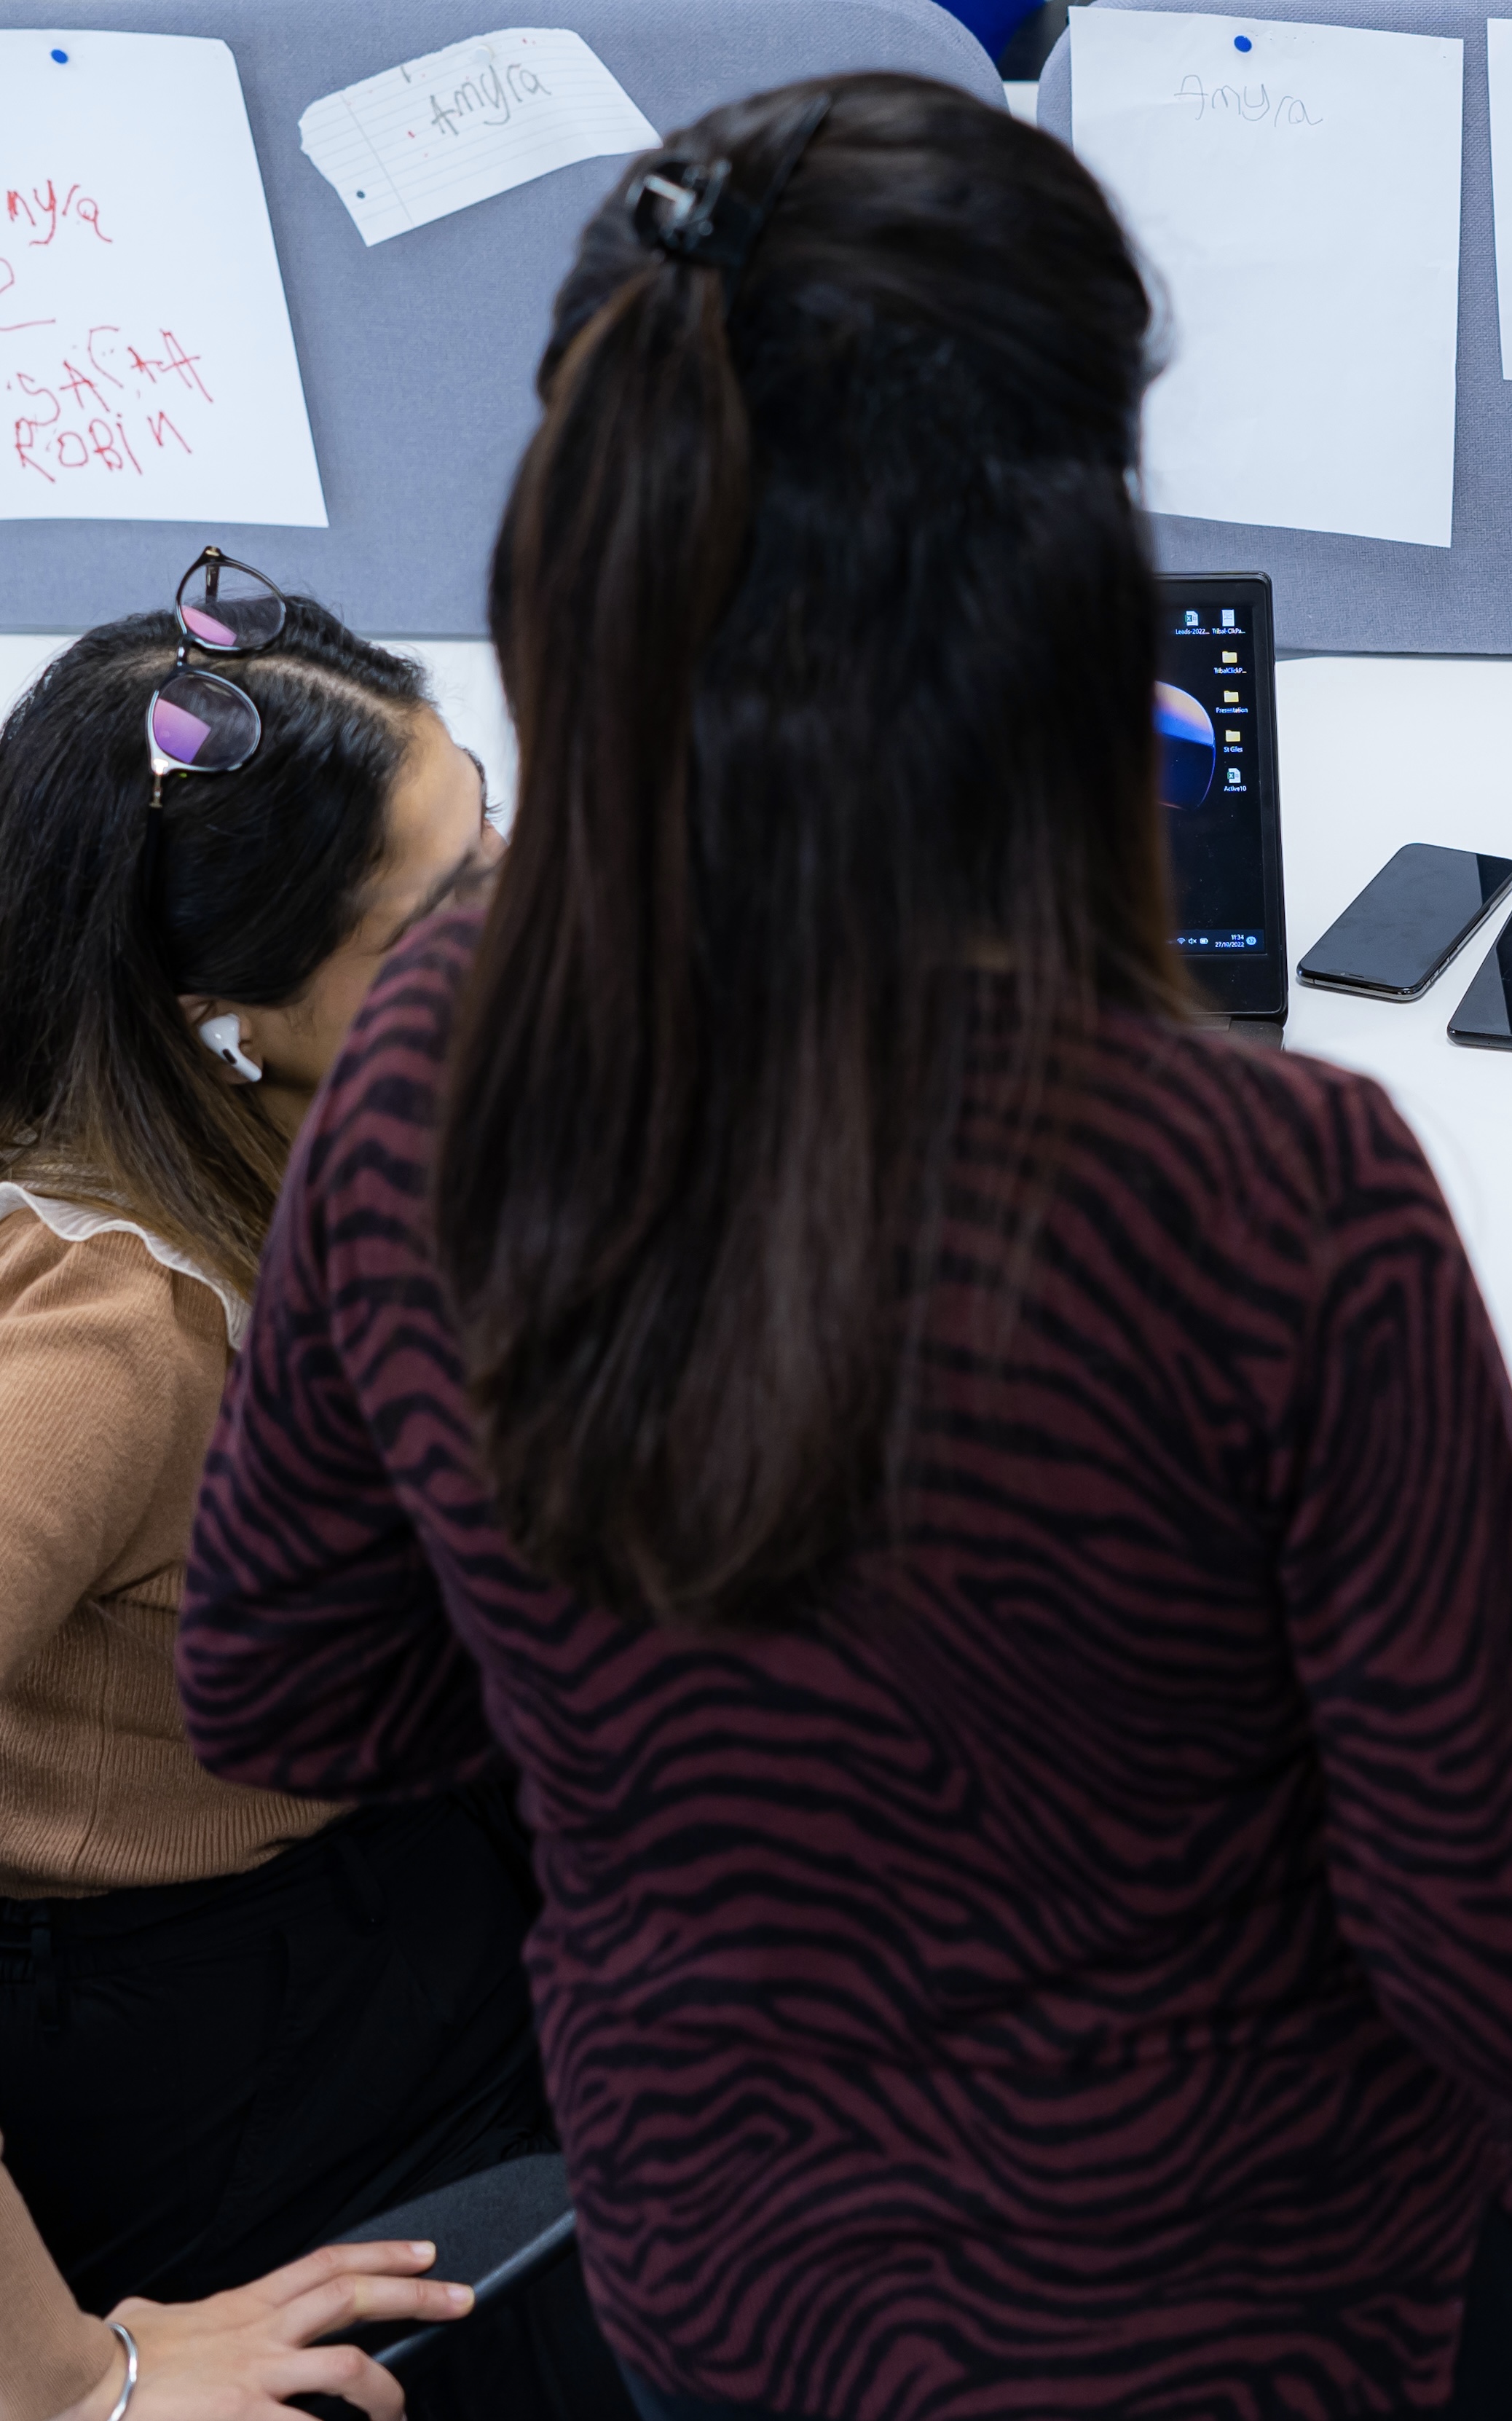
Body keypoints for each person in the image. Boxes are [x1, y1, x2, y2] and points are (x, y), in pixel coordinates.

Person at [170, 74, 1512, 2421]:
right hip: (1248, 2312)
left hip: (742, 2273)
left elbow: (285, 1695)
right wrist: (1480, 1545)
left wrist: (669, 1695)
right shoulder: (1275, 1190)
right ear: (1073, 590)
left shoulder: (423, 1065)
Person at [0, 573, 556, 2417]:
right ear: (225, 1010)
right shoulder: (106, 1351)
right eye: (452, 909)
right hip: (206, 2014)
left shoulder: (263, 1105)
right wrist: (77, 2384)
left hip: (382, 1818)